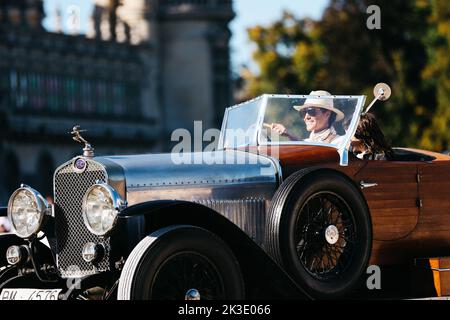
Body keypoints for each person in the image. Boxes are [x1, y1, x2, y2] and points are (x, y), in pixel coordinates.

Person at [269, 90, 345, 143]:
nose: (306, 117)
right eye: (303, 112)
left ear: (327, 114)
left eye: (311, 111)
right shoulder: (308, 141)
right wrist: (288, 134)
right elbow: (303, 145)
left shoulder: (340, 142)